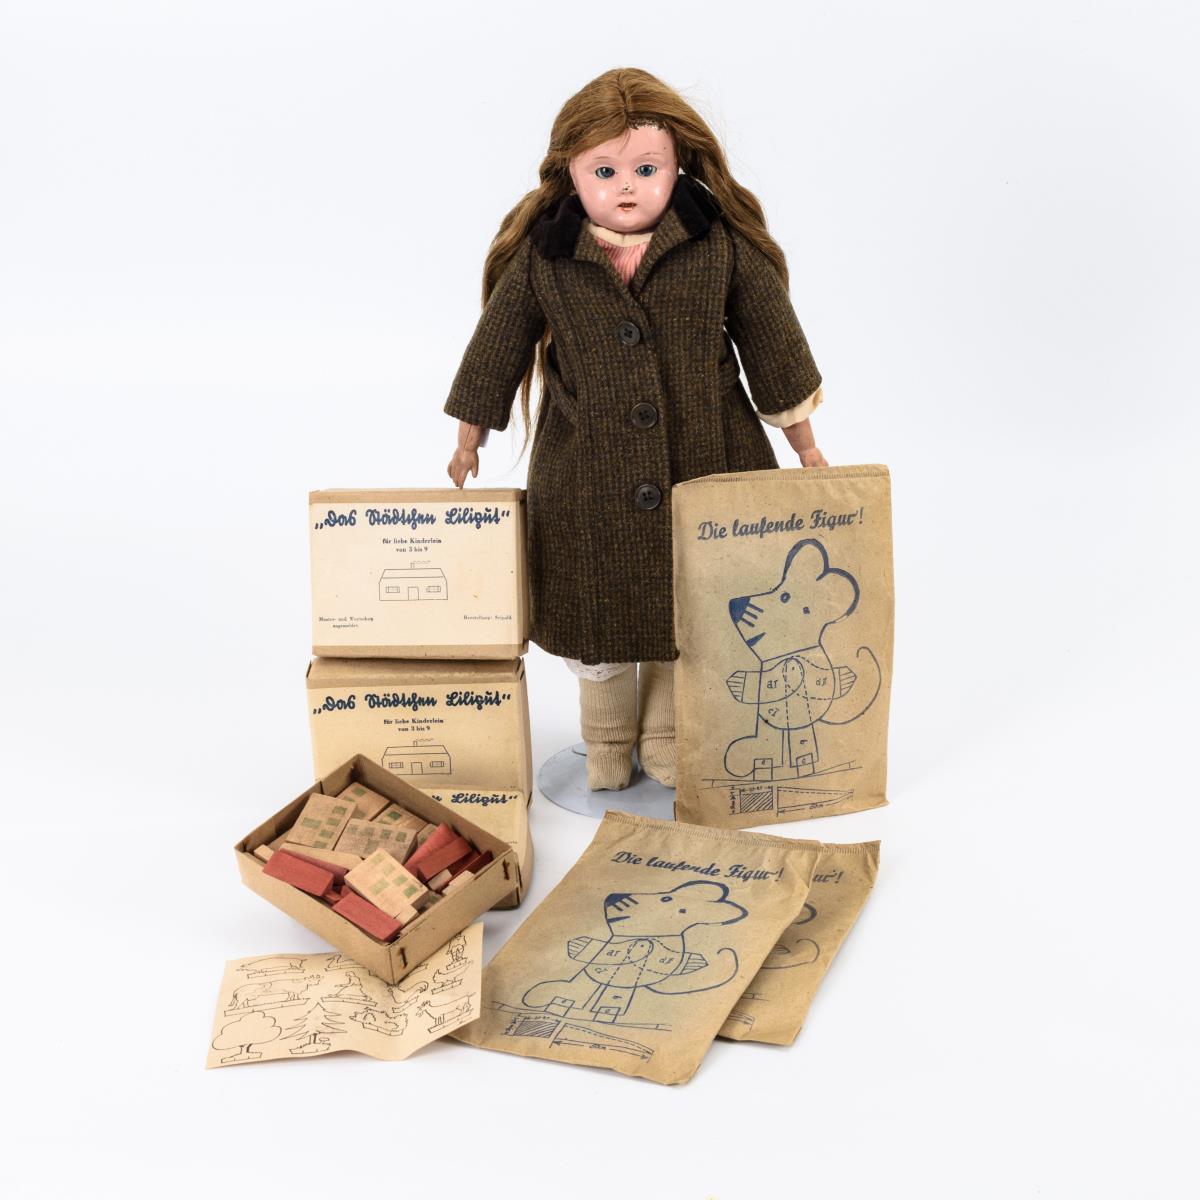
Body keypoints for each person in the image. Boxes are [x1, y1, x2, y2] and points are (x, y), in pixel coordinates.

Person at [445, 68, 827, 792]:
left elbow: (772, 339)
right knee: (599, 620)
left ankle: (667, 735)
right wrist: (470, 437)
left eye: (646, 169)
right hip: (585, 475)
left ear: (678, 165)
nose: (627, 187)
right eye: (605, 171)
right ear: (570, 172)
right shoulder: (546, 256)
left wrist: (802, 441)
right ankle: (606, 740)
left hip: (708, 461)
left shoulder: (717, 244)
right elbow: (497, 345)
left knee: (697, 613)